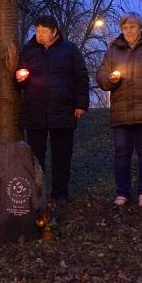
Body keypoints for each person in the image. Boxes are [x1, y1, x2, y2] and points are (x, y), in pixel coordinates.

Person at [96, 12, 142, 207]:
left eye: (132, 26)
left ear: (141, 27)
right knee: (122, 152)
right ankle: (122, 192)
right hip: (122, 110)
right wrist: (108, 79)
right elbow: (101, 73)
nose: (129, 30)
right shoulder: (113, 50)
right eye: (125, 27)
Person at [15, 15, 89, 209]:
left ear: (54, 31)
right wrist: (19, 77)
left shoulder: (69, 49)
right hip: (35, 110)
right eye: (37, 30)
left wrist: (80, 104)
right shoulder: (29, 50)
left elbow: (81, 77)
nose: (39, 34)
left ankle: (60, 193)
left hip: (62, 110)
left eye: (43, 31)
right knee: (35, 157)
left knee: (62, 156)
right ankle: (36, 193)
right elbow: (17, 77)